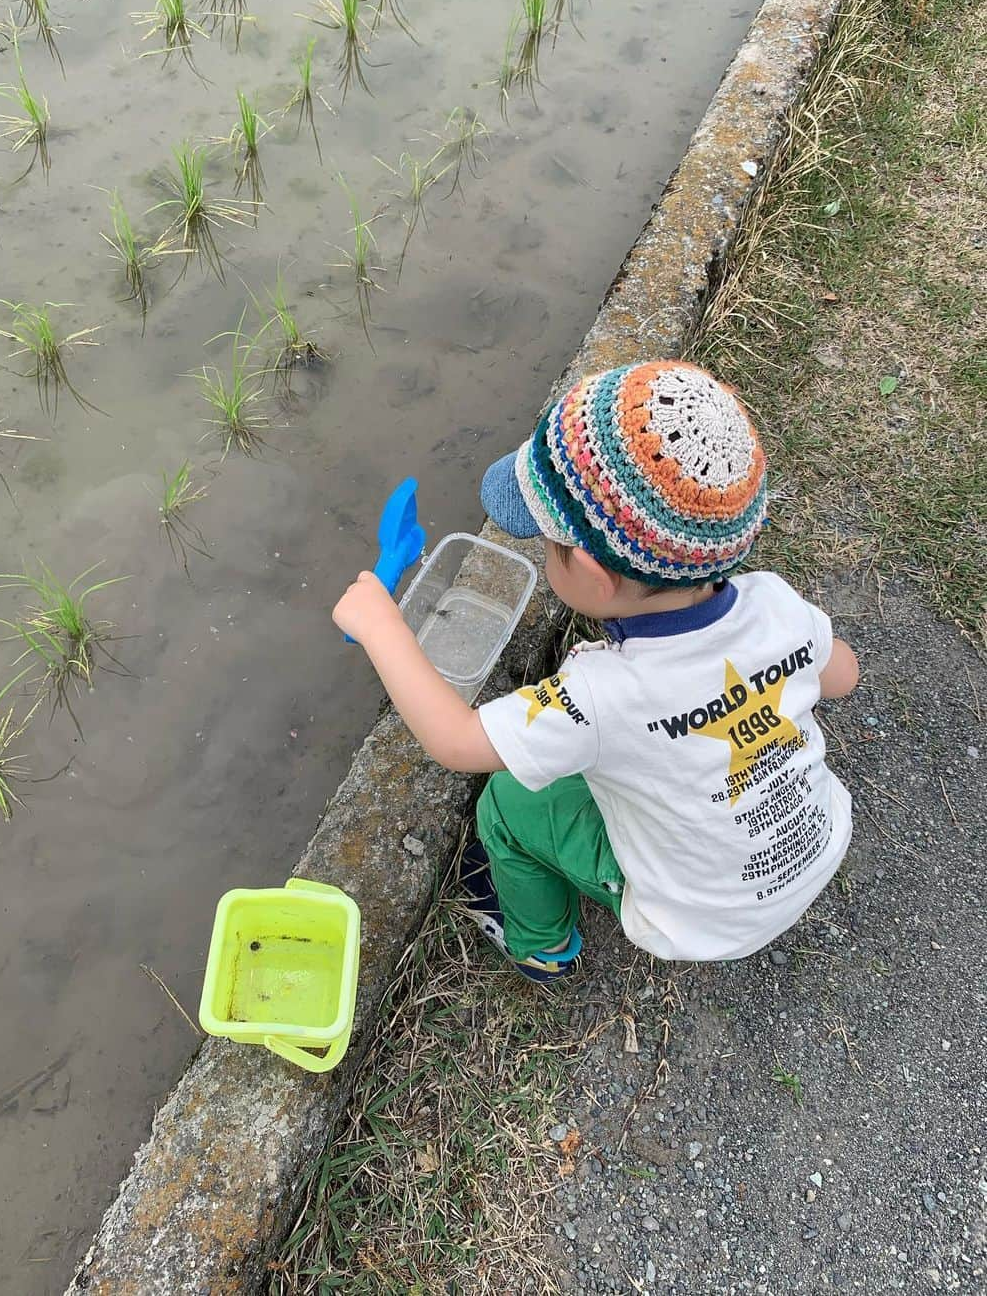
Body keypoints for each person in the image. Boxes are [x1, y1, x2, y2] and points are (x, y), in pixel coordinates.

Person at [332, 360, 858, 982]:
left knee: (507, 802)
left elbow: (455, 742)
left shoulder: (602, 693)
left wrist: (381, 626)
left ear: (589, 573)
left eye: (547, 544)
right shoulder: (773, 603)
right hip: (817, 843)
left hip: (704, 916)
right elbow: (842, 674)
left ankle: (539, 945)